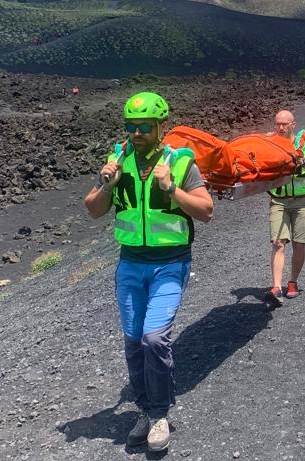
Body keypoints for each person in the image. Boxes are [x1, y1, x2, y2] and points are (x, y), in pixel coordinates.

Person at [84, 92, 214, 451]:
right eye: (131, 126)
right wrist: (106, 184)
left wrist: (170, 188)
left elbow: (206, 210)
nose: (136, 133)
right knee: (132, 342)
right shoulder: (117, 162)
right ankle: (143, 409)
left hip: (170, 263)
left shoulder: (180, 162)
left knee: (154, 339)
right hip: (130, 265)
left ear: (161, 127)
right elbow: (93, 209)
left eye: (144, 127)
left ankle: (158, 415)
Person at [266, 110, 305, 306]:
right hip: (278, 201)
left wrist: (304, 163)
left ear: (293, 124)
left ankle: (293, 282)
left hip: (301, 201)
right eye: (277, 124)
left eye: (284, 124)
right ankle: (277, 287)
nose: (280, 127)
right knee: (278, 242)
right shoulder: (269, 144)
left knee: (299, 243)